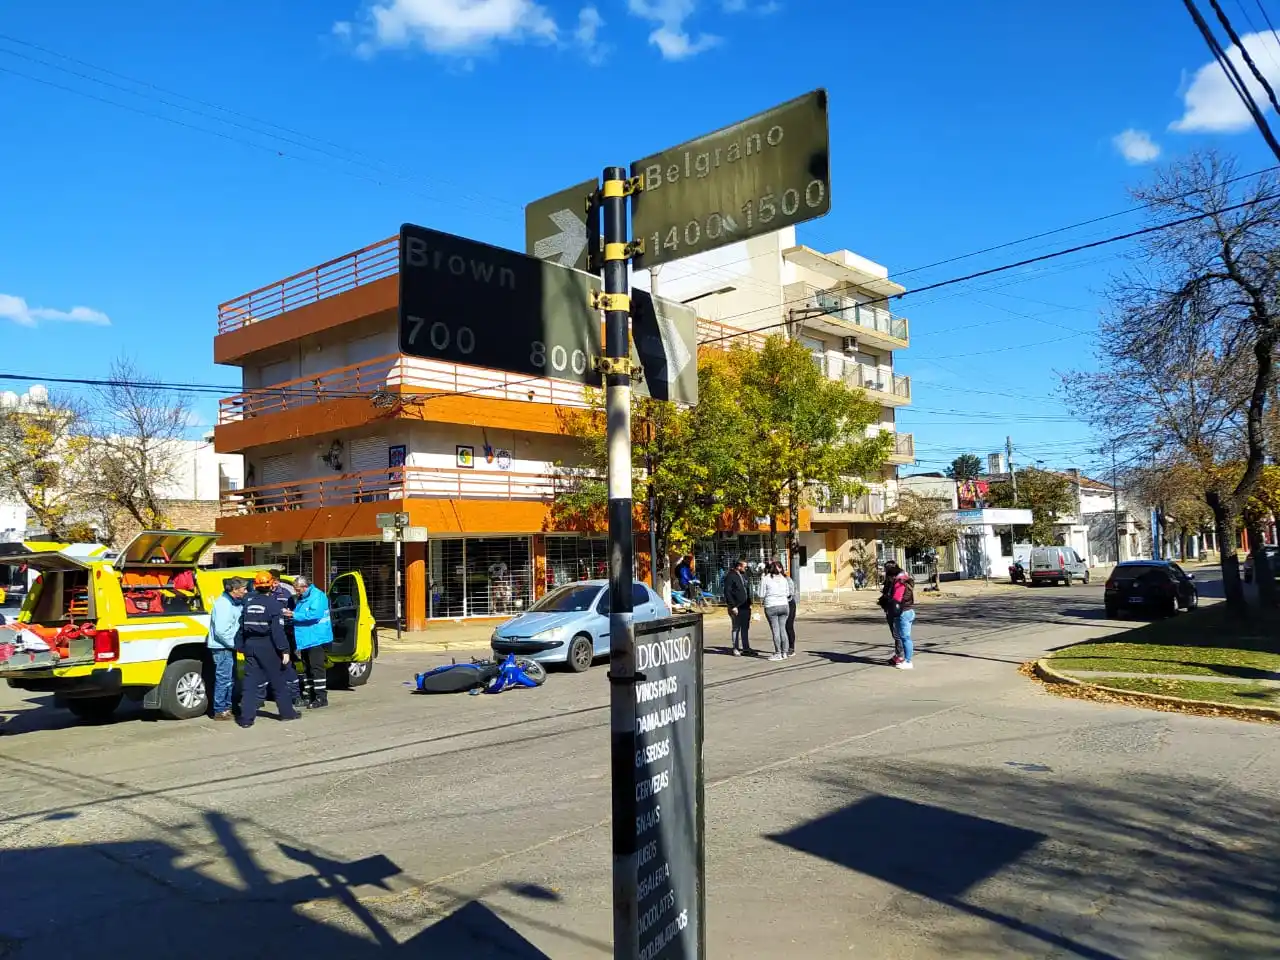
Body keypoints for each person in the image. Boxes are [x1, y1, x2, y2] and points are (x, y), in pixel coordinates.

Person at [236, 571, 300, 727]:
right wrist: (284, 650)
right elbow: (277, 631)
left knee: (250, 683)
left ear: (256, 585)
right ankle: (287, 713)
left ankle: (246, 719)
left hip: (250, 645)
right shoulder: (273, 604)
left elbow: (241, 626)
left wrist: (240, 645)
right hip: (268, 646)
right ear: (271, 585)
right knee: (278, 681)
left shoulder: (248, 602)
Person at [289, 575, 334, 709]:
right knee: (307, 667)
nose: (296, 592)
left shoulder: (317, 596)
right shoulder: (303, 597)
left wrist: (294, 615)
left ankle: (321, 697)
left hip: (316, 637)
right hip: (305, 638)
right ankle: (310, 695)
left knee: (316, 667)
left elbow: (315, 615)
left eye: (298, 589)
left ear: (305, 587)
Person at [207, 577, 247, 721]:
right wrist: (235, 644)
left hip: (228, 646)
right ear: (234, 590)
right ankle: (220, 710)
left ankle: (228, 707)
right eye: (243, 588)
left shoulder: (233, 602)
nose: (245, 591)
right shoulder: (223, 604)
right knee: (224, 679)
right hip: (222, 647)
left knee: (230, 678)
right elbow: (221, 631)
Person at [267, 570, 302, 708]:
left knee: (287, 663)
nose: (273, 585)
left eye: (275, 582)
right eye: (271, 582)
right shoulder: (262, 594)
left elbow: (293, 612)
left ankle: (295, 695)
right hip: (269, 634)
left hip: (284, 632)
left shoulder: (286, 593)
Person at [881, 560, 916, 670]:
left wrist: (889, 603)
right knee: (902, 636)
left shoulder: (900, 582)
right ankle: (901, 656)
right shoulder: (903, 579)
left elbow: (897, 599)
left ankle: (906, 660)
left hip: (902, 612)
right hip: (904, 611)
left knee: (904, 637)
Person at [759, 560, 794, 662]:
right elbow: (788, 593)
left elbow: (761, 594)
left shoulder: (766, 579)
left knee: (775, 630)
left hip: (771, 606)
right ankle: (784, 652)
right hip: (784, 605)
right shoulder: (783, 578)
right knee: (783, 629)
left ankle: (778, 653)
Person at [722, 558, 754, 656]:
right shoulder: (730, 576)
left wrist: (749, 603)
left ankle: (746, 647)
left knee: (745, 627)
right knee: (736, 627)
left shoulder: (744, 575)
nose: (746, 568)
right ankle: (735, 648)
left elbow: (746, 588)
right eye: (745, 566)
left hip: (745, 605)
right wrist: (732, 606)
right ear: (739, 566)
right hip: (736, 606)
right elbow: (727, 592)